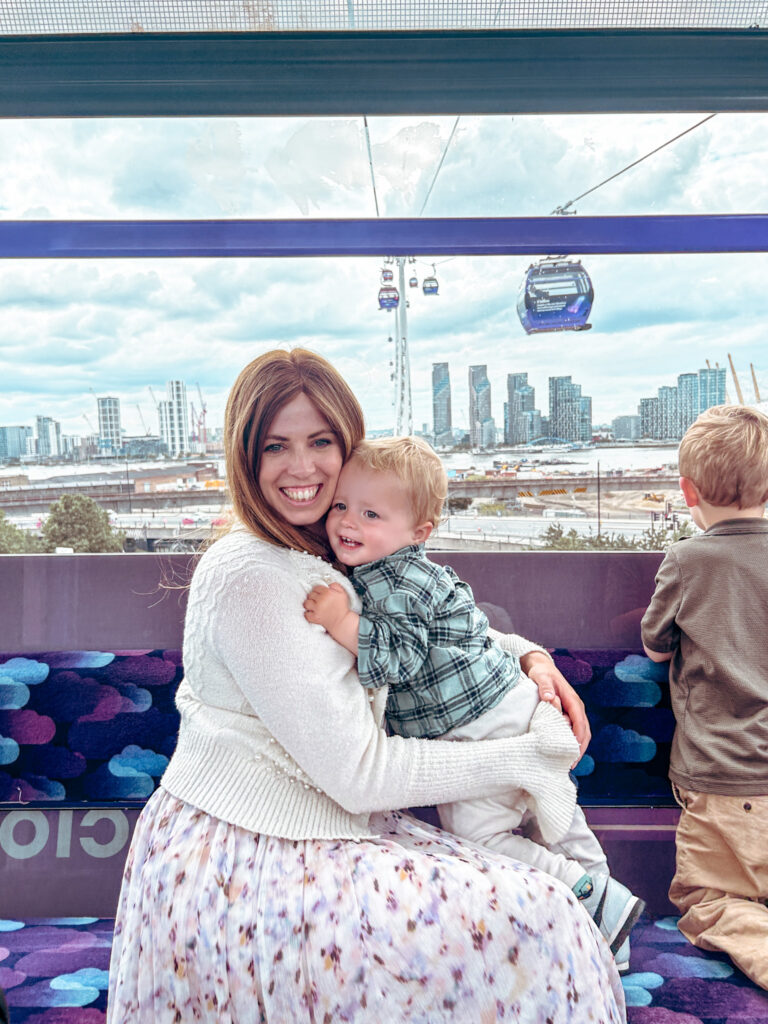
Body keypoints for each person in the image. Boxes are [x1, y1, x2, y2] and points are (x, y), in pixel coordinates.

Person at [107, 348, 626, 1022]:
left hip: (321, 824)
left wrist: (529, 659)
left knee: (534, 895)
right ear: (244, 456)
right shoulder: (255, 576)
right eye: (275, 447)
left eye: (321, 442)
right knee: (540, 916)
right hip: (248, 856)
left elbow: (433, 634)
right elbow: (360, 773)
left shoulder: (332, 544)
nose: (302, 468)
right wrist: (523, 758)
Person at [303, 435, 644, 972]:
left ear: (419, 533)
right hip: (512, 702)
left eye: (371, 513)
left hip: (476, 727)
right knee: (558, 819)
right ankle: (611, 926)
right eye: (342, 506)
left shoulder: (390, 582)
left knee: (481, 836)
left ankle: (585, 894)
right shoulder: (422, 570)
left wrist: (341, 621)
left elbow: (399, 658)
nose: (348, 522)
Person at [641, 404, 768, 990]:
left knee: (710, 900)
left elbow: (657, 648)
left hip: (720, 778)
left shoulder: (688, 560)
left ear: (688, 491)